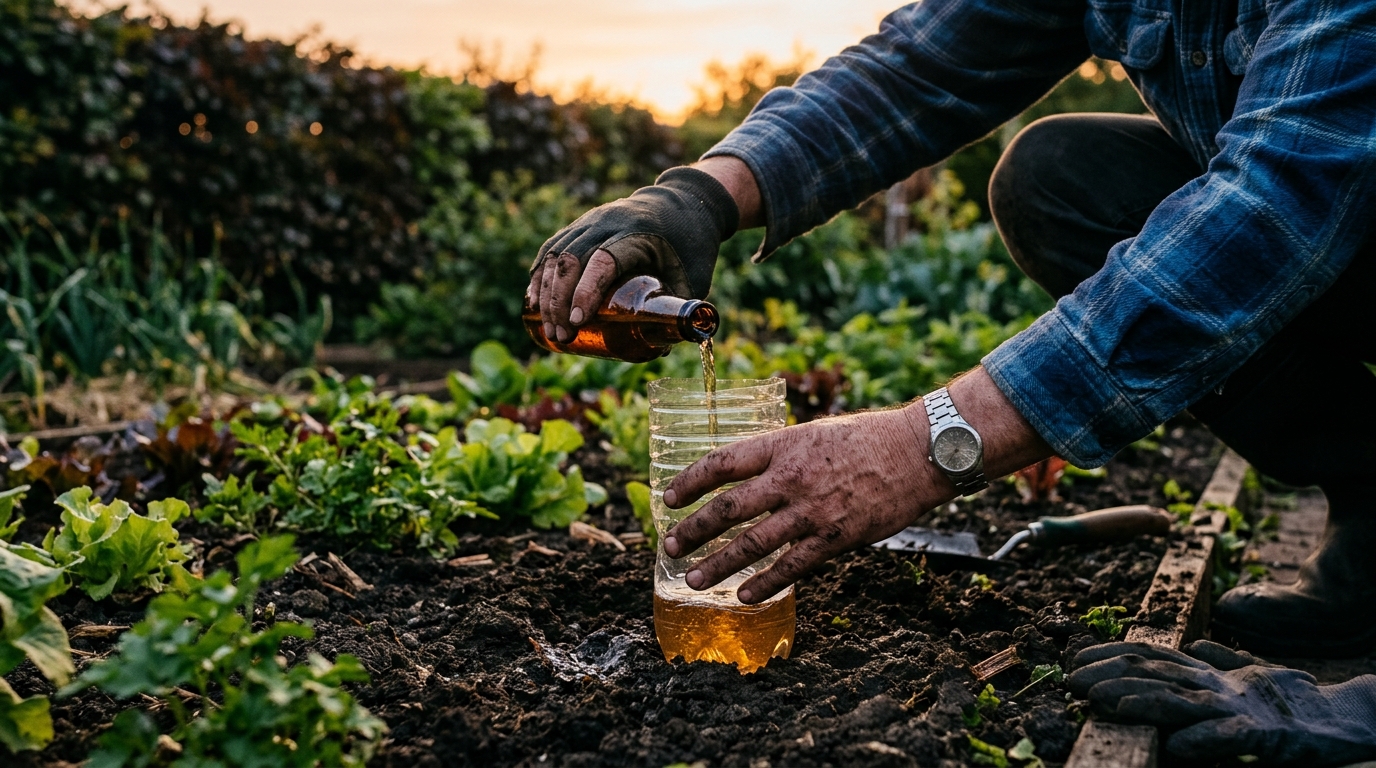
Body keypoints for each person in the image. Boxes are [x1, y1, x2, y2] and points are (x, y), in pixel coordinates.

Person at [526, 0, 1376, 761]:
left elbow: (1278, 199)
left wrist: (927, 441)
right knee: (1061, 178)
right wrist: (700, 196)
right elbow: (923, 65)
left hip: (1317, 197)